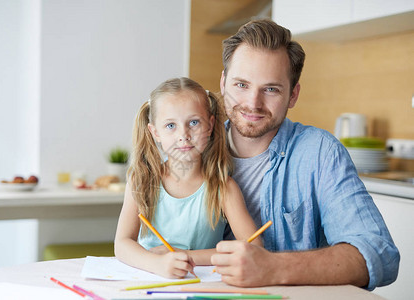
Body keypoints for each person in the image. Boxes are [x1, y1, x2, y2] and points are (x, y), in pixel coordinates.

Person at [210, 19, 400, 290]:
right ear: (223, 81)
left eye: (271, 89)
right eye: (241, 85)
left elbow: (379, 252)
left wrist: (272, 267)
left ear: (293, 95)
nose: (253, 103)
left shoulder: (321, 153)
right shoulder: (194, 146)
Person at [115, 77, 261, 279]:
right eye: (170, 126)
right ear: (155, 132)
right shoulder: (142, 180)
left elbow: (254, 247)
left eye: (193, 122)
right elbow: (122, 244)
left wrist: (184, 256)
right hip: (149, 280)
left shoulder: (223, 188)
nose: (183, 135)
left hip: (203, 283)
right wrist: (158, 264)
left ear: (210, 126)